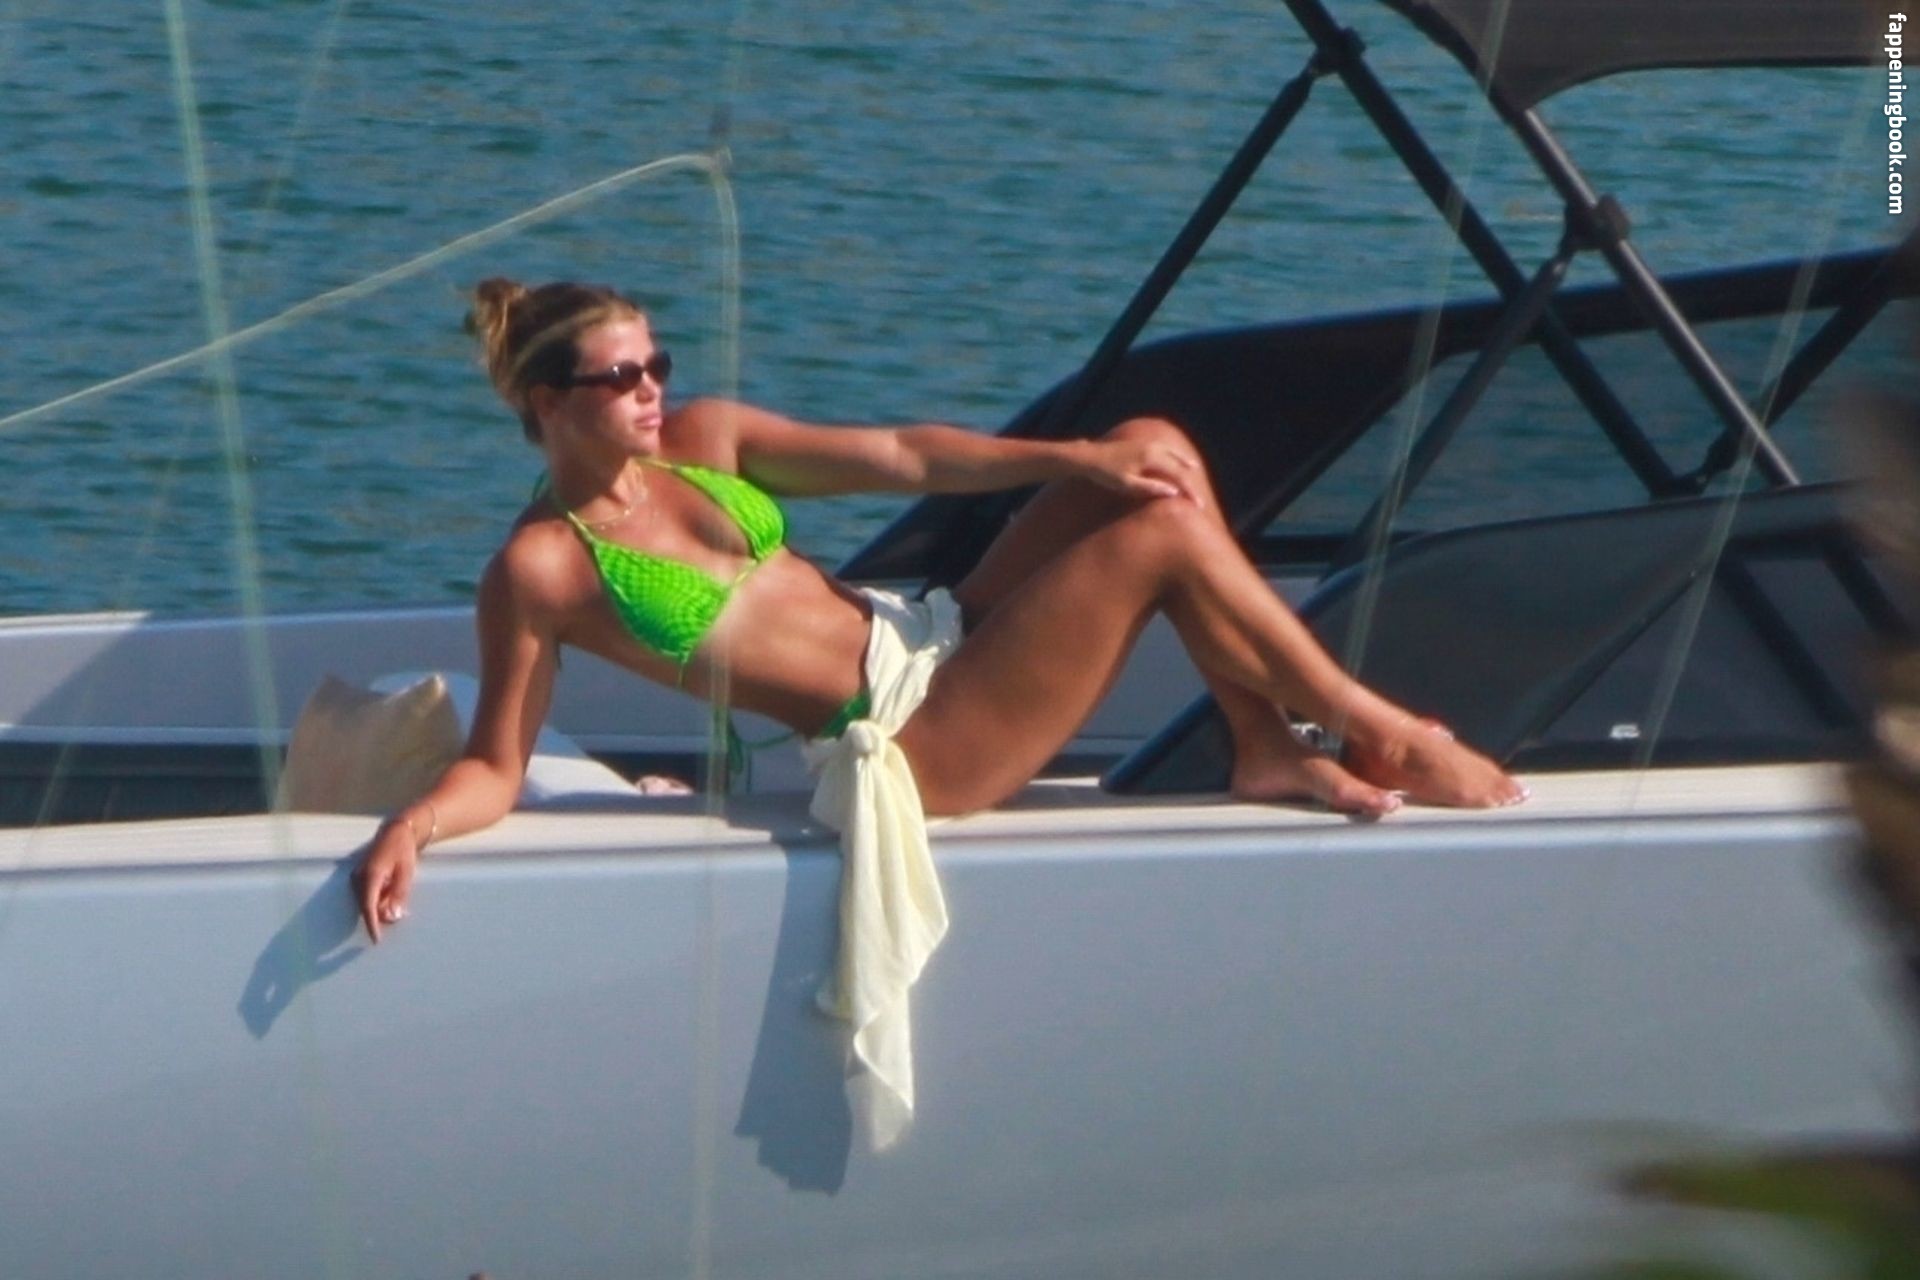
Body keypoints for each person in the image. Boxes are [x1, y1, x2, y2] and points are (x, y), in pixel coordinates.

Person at [352, 278, 1526, 941]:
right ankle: (1383, 727)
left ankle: (1266, 742)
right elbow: (496, 764)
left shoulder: (704, 440)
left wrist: (1076, 457)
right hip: (903, 741)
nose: (653, 390)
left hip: (932, 633)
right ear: (547, 402)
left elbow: (904, 454)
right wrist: (415, 823)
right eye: (621, 378)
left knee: (1151, 451)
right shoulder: (543, 569)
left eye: (657, 363)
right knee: (1162, 539)